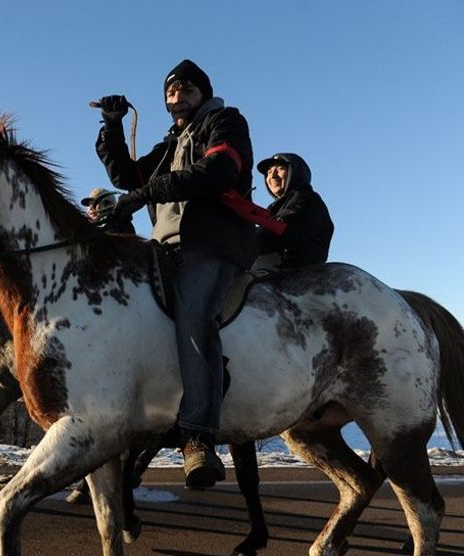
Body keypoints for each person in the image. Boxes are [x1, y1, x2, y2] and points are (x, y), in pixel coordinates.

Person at [95, 59, 256, 489]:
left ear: (202, 93)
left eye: (186, 89)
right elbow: (126, 175)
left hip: (212, 246)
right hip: (162, 248)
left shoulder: (225, 121)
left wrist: (145, 193)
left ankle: (199, 439)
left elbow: (219, 171)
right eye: (171, 91)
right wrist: (112, 125)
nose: (178, 95)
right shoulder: (171, 142)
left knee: (194, 316)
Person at [254, 153, 334, 269]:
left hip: (297, 272)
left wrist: (243, 240)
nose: (273, 176)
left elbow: (284, 230)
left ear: (295, 173)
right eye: (269, 172)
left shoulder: (307, 199)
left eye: (280, 169)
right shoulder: (274, 208)